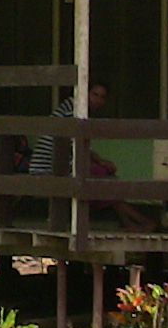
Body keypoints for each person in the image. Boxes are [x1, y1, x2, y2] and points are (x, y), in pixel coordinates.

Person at [28, 82, 156, 231]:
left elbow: (80, 147)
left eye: (102, 97)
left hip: (64, 166)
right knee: (102, 179)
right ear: (85, 93)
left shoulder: (76, 110)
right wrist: (101, 162)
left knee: (105, 182)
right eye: (94, 95)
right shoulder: (72, 110)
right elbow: (77, 145)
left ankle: (134, 223)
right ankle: (140, 222)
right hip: (49, 169)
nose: (97, 100)